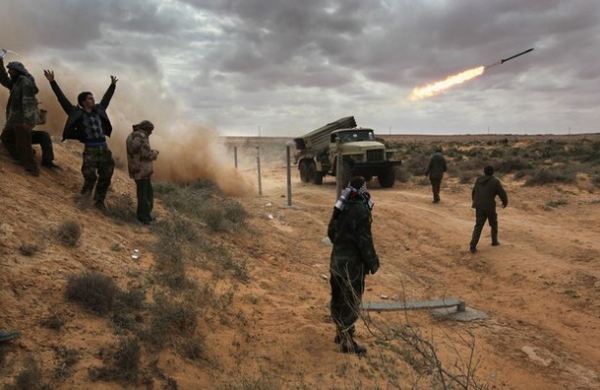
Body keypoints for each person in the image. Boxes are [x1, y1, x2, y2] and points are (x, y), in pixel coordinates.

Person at [43, 69, 117, 209]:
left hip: (104, 148)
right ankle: (84, 199)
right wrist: (52, 82)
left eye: (93, 98)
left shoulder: (99, 109)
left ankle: (99, 201)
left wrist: (112, 85)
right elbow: (61, 98)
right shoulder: (75, 112)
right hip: (91, 149)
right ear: (83, 102)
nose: (93, 100)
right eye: (90, 98)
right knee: (90, 176)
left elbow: (106, 99)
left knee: (106, 175)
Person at [327, 176, 379, 355]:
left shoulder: (340, 207)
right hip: (352, 267)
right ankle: (347, 342)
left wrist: (342, 244)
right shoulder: (361, 211)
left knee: (339, 297)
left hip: (336, 263)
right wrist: (373, 263)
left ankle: (340, 333)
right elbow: (365, 242)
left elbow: (331, 233)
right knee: (351, 301)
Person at [0, 59, 58, 174]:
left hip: (21, 120)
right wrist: (0, 65)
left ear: (17, 71)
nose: (9, 72)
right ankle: (23, 158)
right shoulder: (17, 83)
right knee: (6, 137)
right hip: (15, 120)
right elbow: (4, 80)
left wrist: (28, 121)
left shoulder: (24, 83)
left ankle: (32, 169)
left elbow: (28, 102)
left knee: (23, 143)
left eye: (10, 70)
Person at [469, 166, 508, 253]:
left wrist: (476, 201)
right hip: (489, 206)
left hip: (479, 206)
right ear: (493, 172)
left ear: (484, 172)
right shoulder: (495, 181)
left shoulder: (478, 180)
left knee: (478, 225)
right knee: (493, 223)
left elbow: (474, 192)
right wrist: (505, 202)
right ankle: (494, 241)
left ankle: (472, 245)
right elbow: (502, 193)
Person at [126, 120, 158, 224]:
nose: (151, 133)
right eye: (150, 130)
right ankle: (144, 218)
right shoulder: (141, 136)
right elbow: (145, 154)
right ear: (146, 129)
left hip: (138, 170)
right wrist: (154, 153)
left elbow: (137, 151)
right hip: (141, 171)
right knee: (144, 195)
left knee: (145, 194)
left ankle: (146, 216)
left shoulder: (133, 135)